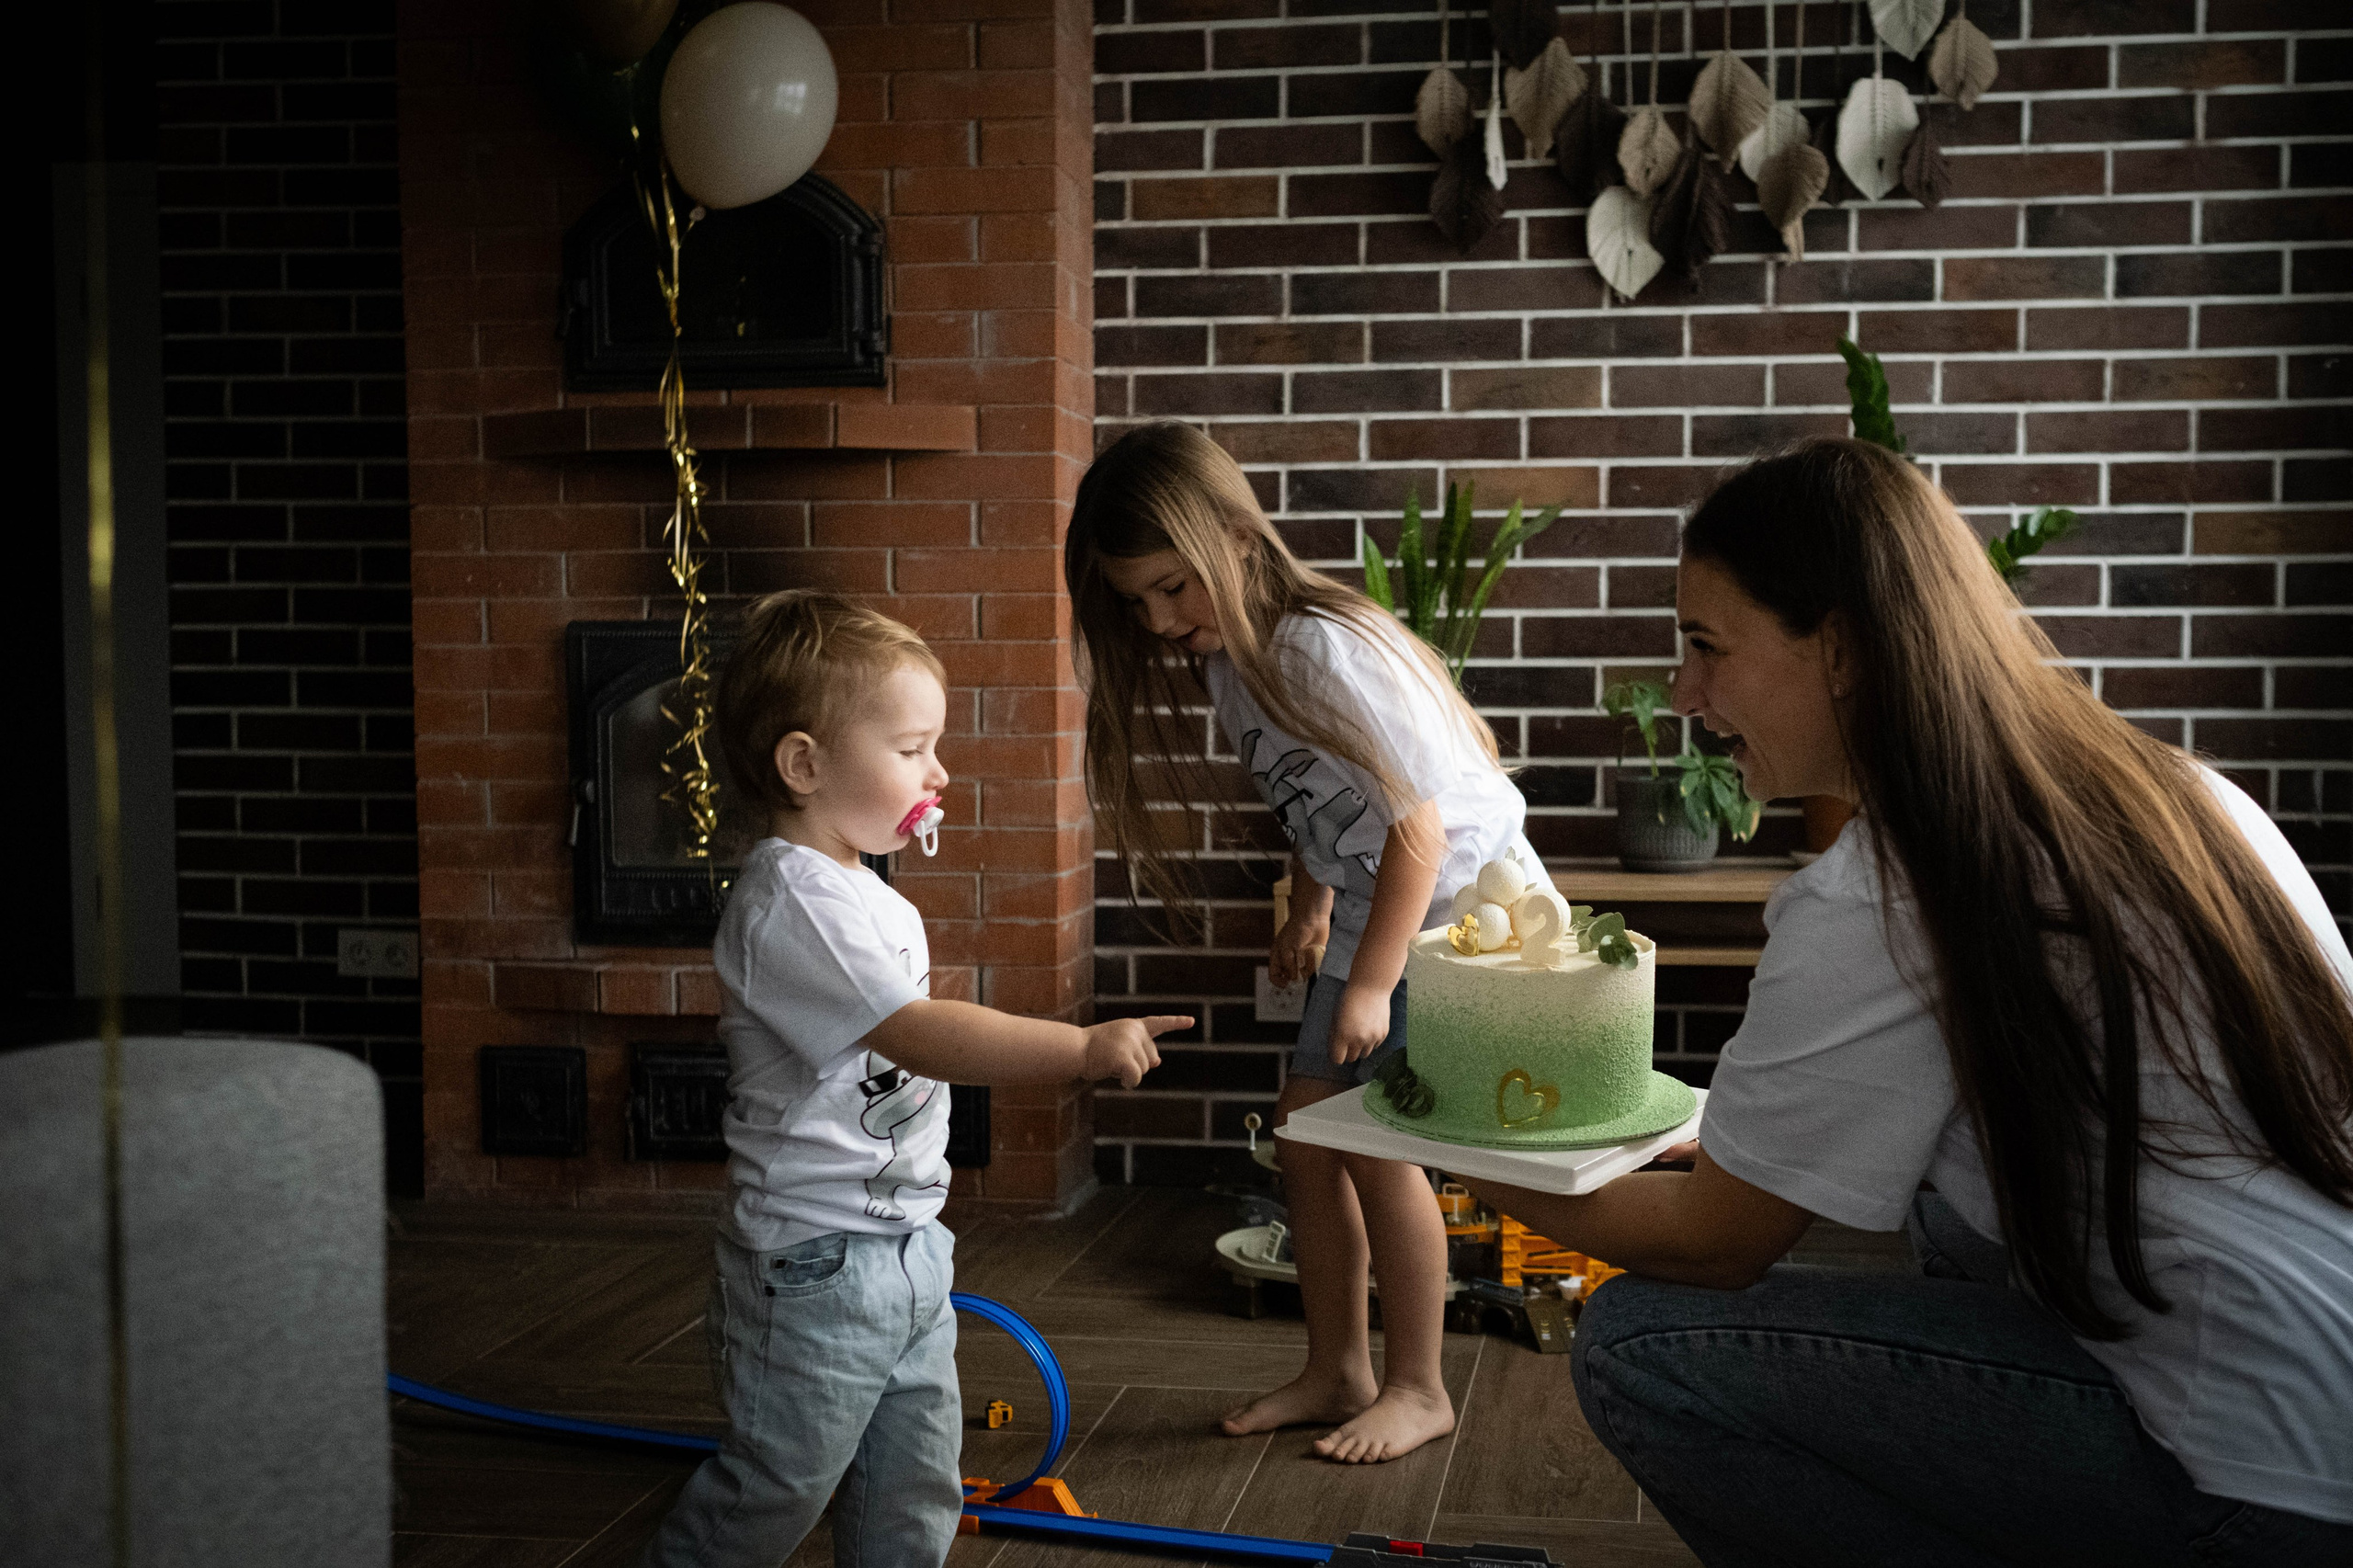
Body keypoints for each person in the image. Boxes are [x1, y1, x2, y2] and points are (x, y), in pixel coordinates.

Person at [1457, 438, 2353, 1565]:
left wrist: (1445, 1142)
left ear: (1839, 647)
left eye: (1704, 644)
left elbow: (1713, 1244)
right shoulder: (2181, 794)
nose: (1685, 693)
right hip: (2329, 1407)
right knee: (1941, 1213)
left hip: (2244, 1482)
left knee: (1641, 1340)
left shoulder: (1887, 883)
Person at [636, 590, 1188, 1568]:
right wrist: (1078, 1048)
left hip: (904, 1245)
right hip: (813, 1263)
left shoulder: (851, 884)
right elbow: (921, 1034)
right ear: (803, 764)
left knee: (914, 1478)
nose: (938, 771)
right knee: (781, 1480)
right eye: (910, 747)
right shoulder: (789, 901)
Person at [1064, 421, 1549, 1464]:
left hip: (1460, 912)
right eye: (1137, 600)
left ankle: (1420, 1387)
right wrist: (1310, 907)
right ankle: (1340, 1365)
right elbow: (1322, 805)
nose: (1158, 618)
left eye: (1172, 586)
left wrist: (1371, 979)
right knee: (1308, 1134)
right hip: (1378, 909)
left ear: (1238, 539)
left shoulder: (1320, 648)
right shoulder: (1236, 664)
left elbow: (1419, 826)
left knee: (1378, 1148)